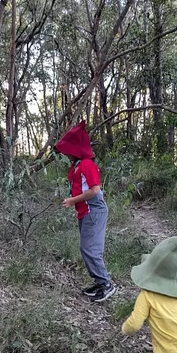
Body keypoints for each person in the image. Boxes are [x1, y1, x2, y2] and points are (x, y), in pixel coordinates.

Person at [54, 120, 115, 303]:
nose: (66, 154)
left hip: (94, 211)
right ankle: (99, 282)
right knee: (88, 248)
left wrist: (73, 200)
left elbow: (95, 190)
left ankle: (106, 284)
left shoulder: (87, 164)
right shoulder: (76, 166)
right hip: (85, 212)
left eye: (68, 151)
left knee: (89, 249)